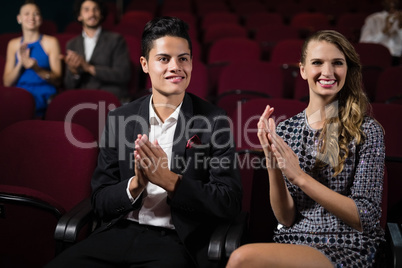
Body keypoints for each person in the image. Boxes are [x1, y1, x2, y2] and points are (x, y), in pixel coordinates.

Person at [45, 16, 242, 268]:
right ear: (145, 64)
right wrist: (137, 184)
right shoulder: (120, 118)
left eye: (183, 58)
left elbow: (229, 201)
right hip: (117, 232)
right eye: (163, 59)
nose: (176, 67)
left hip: (176, 240)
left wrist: (168, 180)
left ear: (192, 63)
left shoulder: (215, 120)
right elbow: (100, 199)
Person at [227, 30, 386, 268]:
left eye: (337, 63)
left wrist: (299, 176)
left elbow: (365, 216)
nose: (328, 72)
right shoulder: (286, 130)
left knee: (242, 259)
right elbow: (286, 218)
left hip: (348, 246)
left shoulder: (367, 130)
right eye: (317, 63)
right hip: (294, 241)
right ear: (303, 70)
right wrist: (271, 161)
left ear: (347, 69)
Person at [3, 0, 62, 117]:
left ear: (40, 18)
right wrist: (20, 63)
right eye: (27, 13)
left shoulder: (51, 42)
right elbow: (7, 83)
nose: (31, 17)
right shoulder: (13, 44)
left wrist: (36, 68)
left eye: (36, 13)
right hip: (20, 95)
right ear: (19, 18)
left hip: (45, 95)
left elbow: (58, 80)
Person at [63, 0, 131, 99]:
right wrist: (74, 72)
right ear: (79, 16)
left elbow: (123, 75)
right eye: (86, 10)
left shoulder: (116, 40)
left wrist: (89, 68)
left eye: (95, 9)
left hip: (109, 95)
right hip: (82, 98)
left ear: (101, 14)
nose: (92, 13)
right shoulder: (72, 44)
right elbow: (69, 86)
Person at [360, 0, 402, 65]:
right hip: (378, 58)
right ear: (383, 2)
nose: (392, 2)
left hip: (399, 59)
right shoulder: (373, 18)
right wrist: (384, 32)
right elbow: (364, 43)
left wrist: (400, 28)